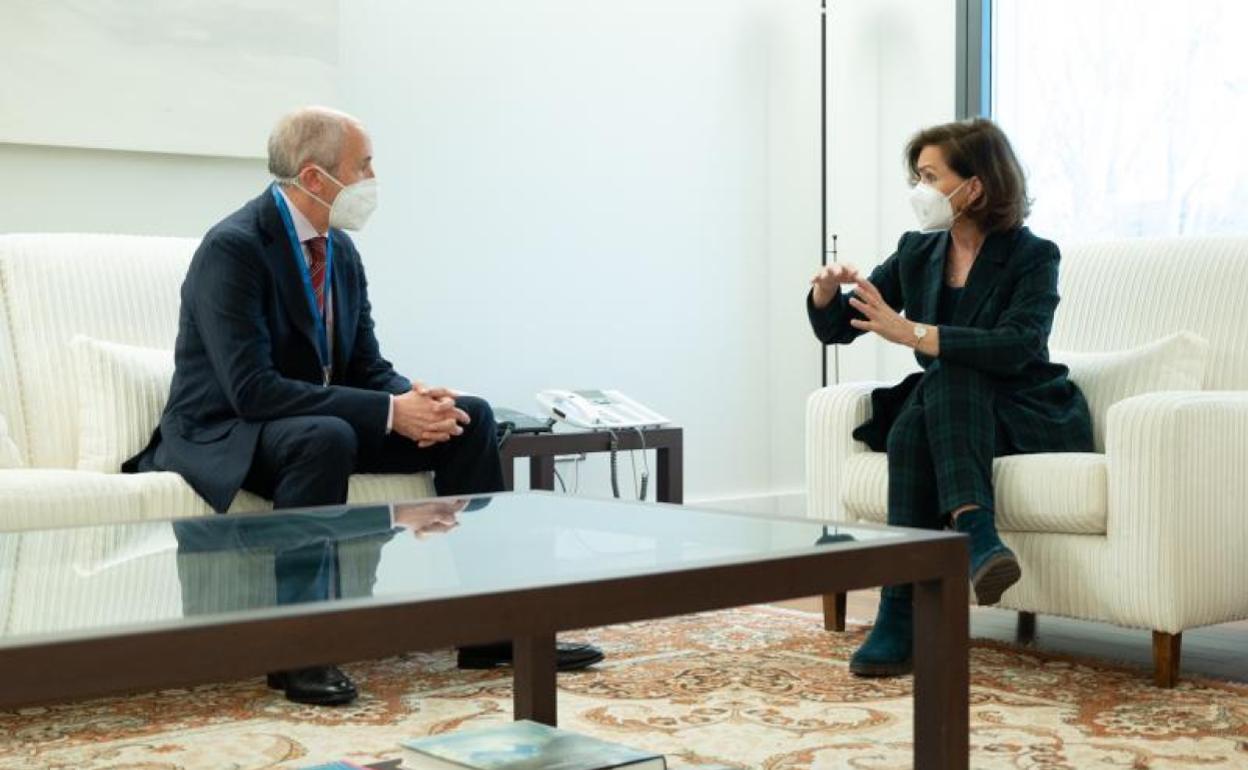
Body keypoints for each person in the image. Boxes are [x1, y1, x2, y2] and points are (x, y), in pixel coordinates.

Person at [126, 106, 602, 705]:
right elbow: (252, 389)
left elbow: (366, 365)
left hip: (316, 422)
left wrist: (415, 400)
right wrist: (388, 413)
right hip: (232, 428)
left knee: (471, 418)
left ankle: (493, 630)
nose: (373, 179)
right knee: (326, 437)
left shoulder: (341, 251)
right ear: (315, 176)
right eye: (364, 165)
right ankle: (299, 651)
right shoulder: (235, 247)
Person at [806, 117, 1093, 677]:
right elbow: (842, 326)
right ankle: (976, 539)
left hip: (1025, 408)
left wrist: (914, 333)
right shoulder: (918, 251)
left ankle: (899, 613)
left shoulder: (1034, 255)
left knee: (945, 377)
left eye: (931, 177)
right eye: (918, 176)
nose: (920, 189)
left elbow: (1018, 345)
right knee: (926, 406)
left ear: (975, 187)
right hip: (950, 409)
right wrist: (824, 293)